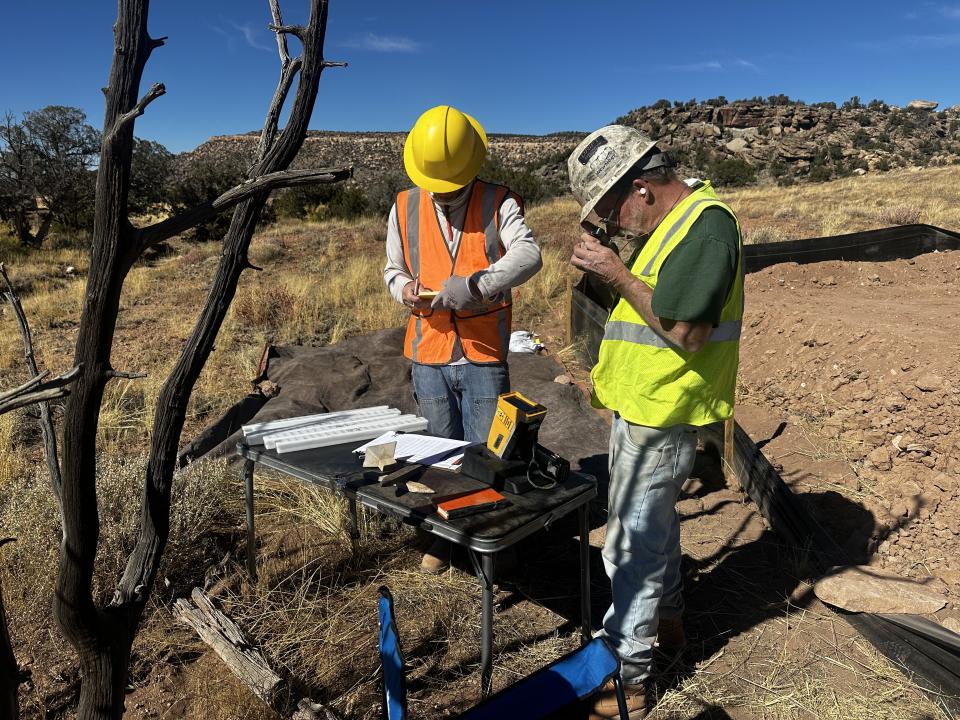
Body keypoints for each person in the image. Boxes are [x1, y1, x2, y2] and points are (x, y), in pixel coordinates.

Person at [567, 126, 743, 719]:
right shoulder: (668, 226)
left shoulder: (707, 227)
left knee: (629, 547)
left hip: (665, 413)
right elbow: (642, 307)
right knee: (655, 529)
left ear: (640, 187)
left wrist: (617, 271)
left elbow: (687, 334)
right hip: (643, 407)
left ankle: (629, 681)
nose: (612, 225)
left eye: (611, 210)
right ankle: (668, 622)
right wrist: (606, 269)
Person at [384, 105, 542, 573]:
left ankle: (490, 541)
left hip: (482, 353)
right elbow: (393, 270)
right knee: (440, 450)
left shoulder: (500, 202)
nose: (443, 194)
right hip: (429, 350)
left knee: (487, 455)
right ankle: (445, 538)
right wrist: (405, 289)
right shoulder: (403, 206)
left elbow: (529, 254)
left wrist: (476, 285)